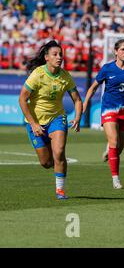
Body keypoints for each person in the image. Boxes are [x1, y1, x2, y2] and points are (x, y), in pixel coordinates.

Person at [18, 40, 82, 200]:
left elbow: (77, 100)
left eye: (60, 54)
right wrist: (33, 123)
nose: (59, 57)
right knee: (46, 163)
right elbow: (22, 99)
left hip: (57, 118)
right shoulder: (37, 75)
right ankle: (59, 165)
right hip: (36, 122)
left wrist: (78, 117)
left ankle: (60, 190)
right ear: (47, 57)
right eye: (55, 54)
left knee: (59, 152)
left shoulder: (65, 76)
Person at [83, 39, 124, 189]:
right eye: (122, 49)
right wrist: (85, 103)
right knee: (114, 142)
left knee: (118, 149)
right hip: (109, 109)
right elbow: (93, 87)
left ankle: (109, 150)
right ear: (116, 52)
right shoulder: (107, 69)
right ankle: (115, 179)